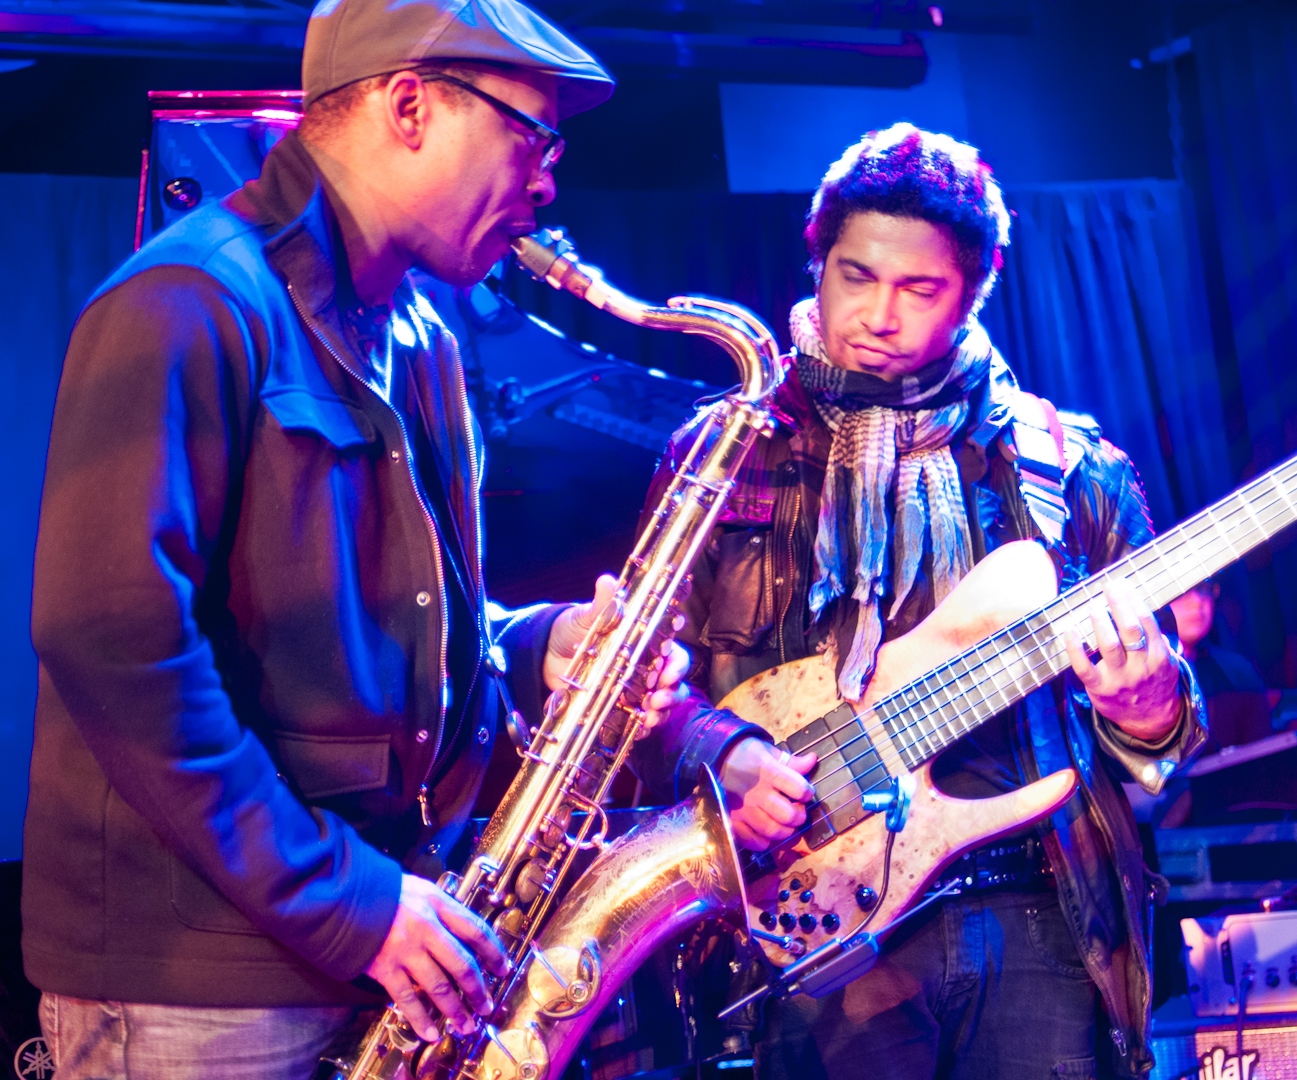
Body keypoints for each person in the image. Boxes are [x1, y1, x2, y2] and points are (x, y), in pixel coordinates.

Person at [22, 3, 681, 1078]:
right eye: (531, 137)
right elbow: (115, 645)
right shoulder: (185, 303)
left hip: (379, 948)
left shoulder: (418, 331)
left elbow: (390, 628)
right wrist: (348, 903)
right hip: (205, 990)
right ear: (409, 105)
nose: (549, 183)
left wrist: (539, 647)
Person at [631, 125, 1207, 1079]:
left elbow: (1161, 725)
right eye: (855, 276)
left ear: (973, 292)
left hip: (1039, 914)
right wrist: (718, 752)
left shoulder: (1070, 463)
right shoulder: (722, 454)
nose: (877, 315)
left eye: (919, 290)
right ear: (817, 262)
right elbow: (630, 696)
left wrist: (1145, 706)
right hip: (806, 928)